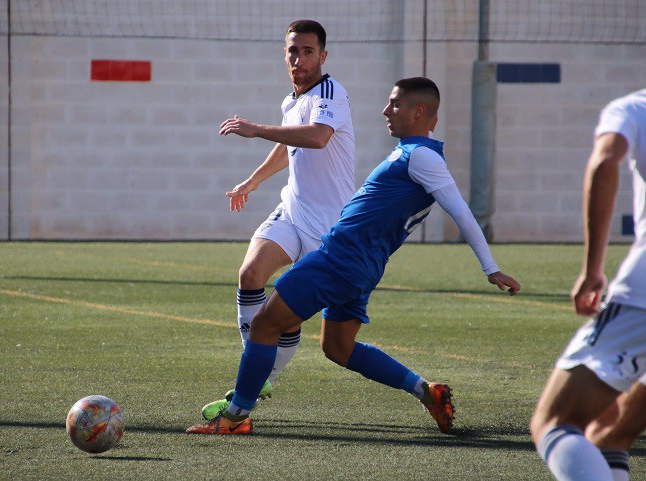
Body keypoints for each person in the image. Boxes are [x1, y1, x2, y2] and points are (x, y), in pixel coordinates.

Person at [186, 77, 521, 435]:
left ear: (419, 111)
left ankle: (235, 417)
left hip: (339, 259)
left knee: (267, 324)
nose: (385, 110)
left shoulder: (422, 156)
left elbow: (461, 213)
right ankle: (428, 392)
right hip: (361, 268)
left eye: (395, 104)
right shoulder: (413, 152)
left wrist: (491, 267)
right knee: (338, 348)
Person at [199, 19, 356, 421]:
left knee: (293, 319)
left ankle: (262, 376)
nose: (299, 58)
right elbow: (289, 146)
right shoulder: (291, 101)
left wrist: (254, 130)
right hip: (292, 211)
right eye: (292, 51)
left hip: (329, 230)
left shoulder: (330, 93)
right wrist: (251, 181)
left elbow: (318, 136)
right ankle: (255, 366)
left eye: (307, 51)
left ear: (323, 56)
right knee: (250, 274)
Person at [530, 88, 646, 481]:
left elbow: (605, 161)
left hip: (642, 297)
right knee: (611, 432)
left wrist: (593, 267)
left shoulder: (634, 107)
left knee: (555, 422)